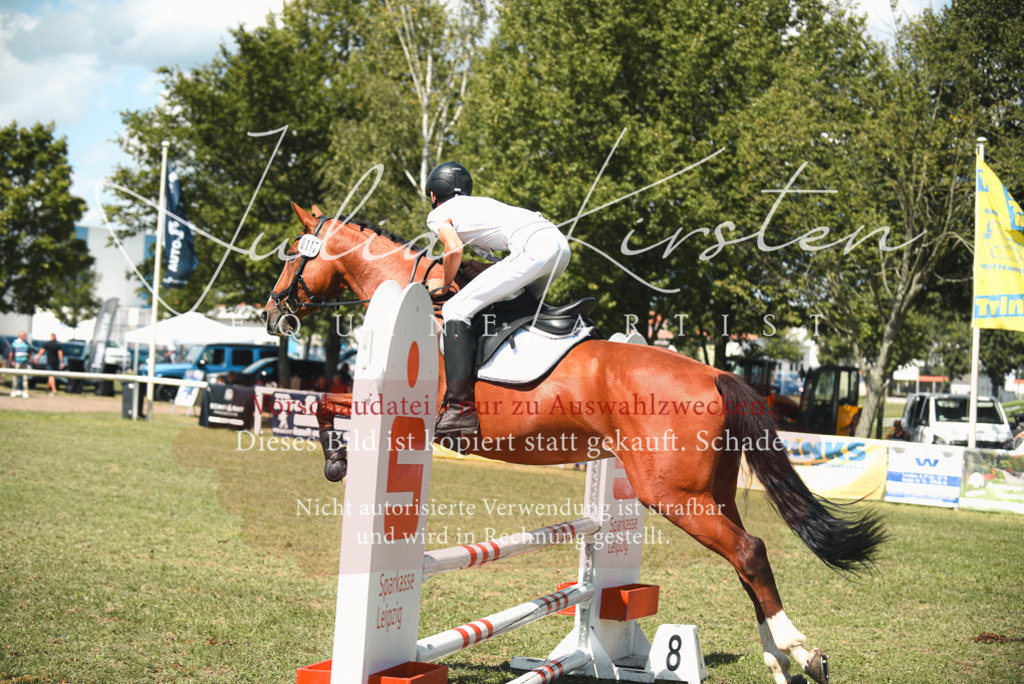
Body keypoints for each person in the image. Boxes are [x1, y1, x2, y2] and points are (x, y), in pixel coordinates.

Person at [424, 161, 571, 439]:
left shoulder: (439, 213)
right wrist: (485, 268)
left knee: (455, 309)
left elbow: (453, 249)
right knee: (513, 305)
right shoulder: (481, 205)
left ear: (433, 195)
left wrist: (443, 286)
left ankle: (459, 410)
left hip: (534, 249)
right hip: (560, 247)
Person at [9, 331, 31, 398]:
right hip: (17, 362)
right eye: (23, 335)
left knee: (25, 378)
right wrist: (12, 361)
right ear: (20, 336)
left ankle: (25, 391)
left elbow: (29, 352)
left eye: (25, 335)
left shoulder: (27, 343)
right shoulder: (15, 343)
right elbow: (11, 352)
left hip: (24, 362)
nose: (24, 337)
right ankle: (14, 390)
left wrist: (29, 360)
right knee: (15, 377)